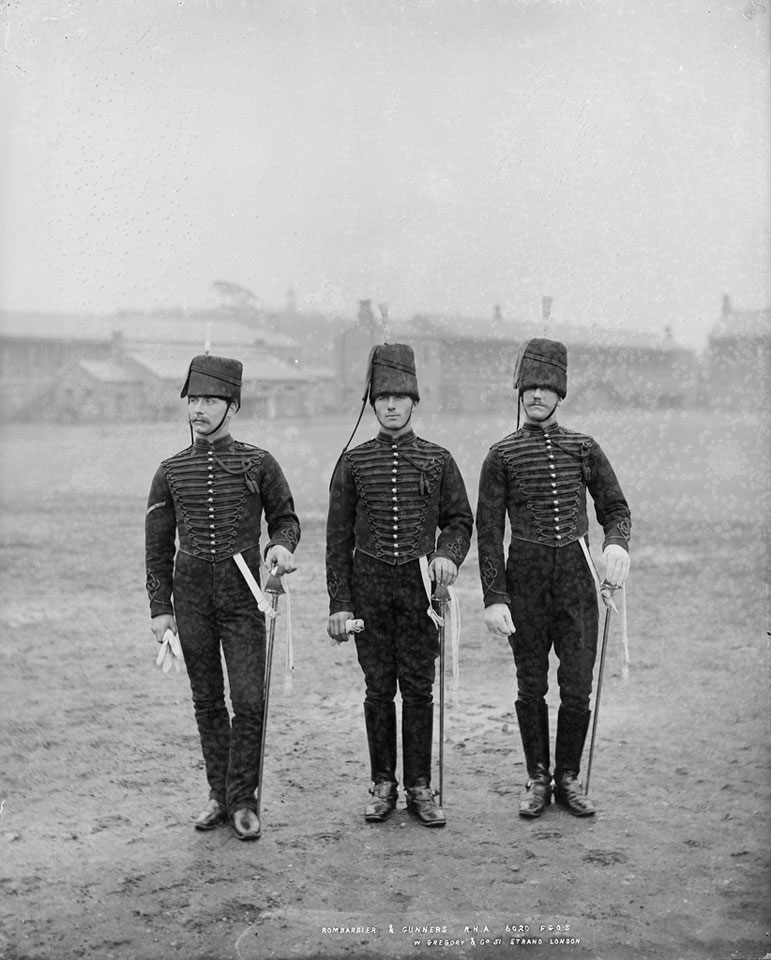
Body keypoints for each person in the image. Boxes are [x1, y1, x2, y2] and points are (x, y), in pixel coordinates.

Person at [145, 354, 300, 841]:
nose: (199, 409)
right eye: (193, 400)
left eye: (210, 400)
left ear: (232, 405)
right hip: (189, 594)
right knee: (207, 699)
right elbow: (156, 545)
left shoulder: (258, 463)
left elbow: (286, 519)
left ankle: (243, 800)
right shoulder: (169, 471)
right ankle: (219, 794)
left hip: (243, 595)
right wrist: (160, 608)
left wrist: (281, 545)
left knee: (249, 700)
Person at [476, 338, 631, 818]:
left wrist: (616, 544)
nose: (537, 395)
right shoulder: (500, 456)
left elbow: (616, 509)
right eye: (530, 386)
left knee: (578, 682)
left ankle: (568, 777)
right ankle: (538, 777)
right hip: (524, 579)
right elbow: (487, 532)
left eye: (547, 387)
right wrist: (494, 596)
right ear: (519, 392)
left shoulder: (583, 448)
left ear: (560, 394)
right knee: (530, 683)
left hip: (577, 581)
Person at [325, 343, 473, 827]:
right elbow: (337, 539)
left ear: (414, 400)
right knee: (376, 689)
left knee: (418, 688)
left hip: (418, 592)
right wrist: (340, 603)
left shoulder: (438, 459)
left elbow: (458, 521)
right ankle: (383, 783)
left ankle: (419, 787)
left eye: (400, 397)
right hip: (368, 587)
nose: (391, 405)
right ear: (372, 402)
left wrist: (447, 557)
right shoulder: (351, 464)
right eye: (382, 397)